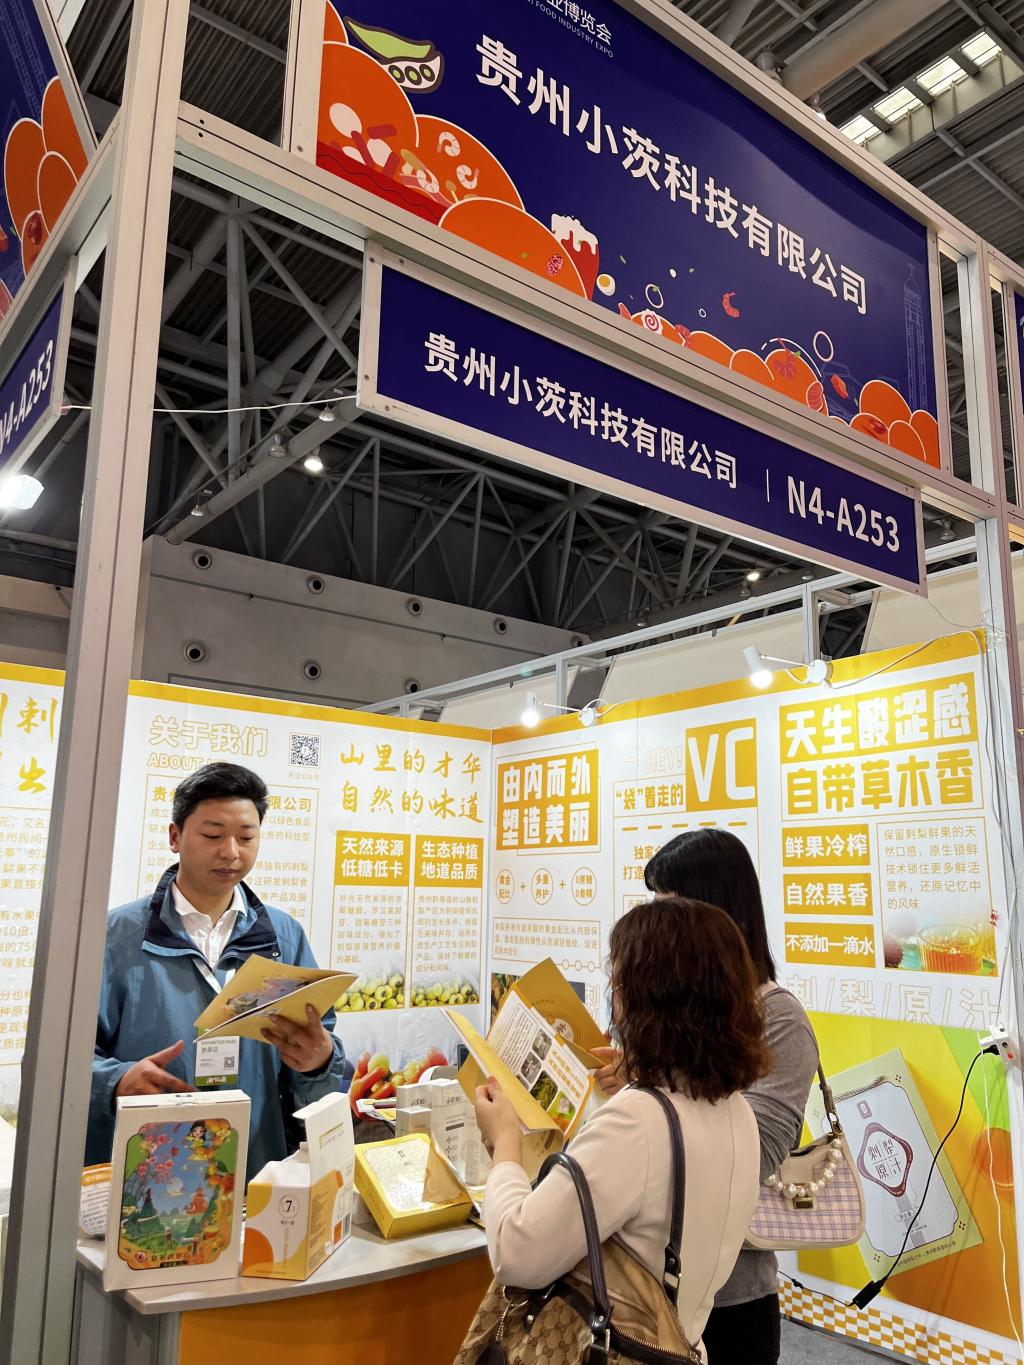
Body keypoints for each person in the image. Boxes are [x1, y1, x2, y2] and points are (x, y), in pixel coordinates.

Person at [473, 895, 766, 1358]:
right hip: (682, 1345)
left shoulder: (638, 1122)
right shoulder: (737, 1113)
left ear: (648, 997)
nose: (613, 996)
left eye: (618, 981)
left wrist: (505, 1143)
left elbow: (516, 1253)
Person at [594, 828, 819, 1365]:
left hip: (729, 1295)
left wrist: (649, 1082)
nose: (657, 921)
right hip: (638, 1284)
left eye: (668, 904)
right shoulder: (659, 1009)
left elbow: (755, 1152)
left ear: (716, 914)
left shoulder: (778, 1018)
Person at [88, 762, 347, 1180]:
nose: (231, 852)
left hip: (256, 1170)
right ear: (175, 837)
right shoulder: (116, 937)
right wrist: (115, 1081)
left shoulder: (284, 936)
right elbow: (64, 1059)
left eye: (246, 837)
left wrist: (319, 1062)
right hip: (150, 1173)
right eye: (212, 835)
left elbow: (316, 1058)